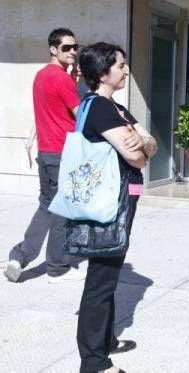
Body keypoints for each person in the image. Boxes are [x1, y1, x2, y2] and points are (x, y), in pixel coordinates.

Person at [76, 42, 158, 373]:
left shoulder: (115, 108)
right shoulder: (100, 108)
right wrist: (140, 147)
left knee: (108, 274)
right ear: (102, 71)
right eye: (120, 65)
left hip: (120, 198)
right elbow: (136, 155)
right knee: (101, 279)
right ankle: (94, 362)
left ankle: (106, 339)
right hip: (110, 202)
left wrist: (143, 144)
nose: (125, 70)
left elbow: (149, 142)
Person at [4, 28, 86, 284]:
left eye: (75, 47)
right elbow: (78, 113)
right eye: (66, 48)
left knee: (46, 206)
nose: (72, 52)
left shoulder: (41, 76)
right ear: (53, 49)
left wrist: (73, 78)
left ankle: (19, 257)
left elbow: (56, 106)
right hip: (62, 152)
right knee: (61, 210)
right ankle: (57, 268)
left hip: (47, 152)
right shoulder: (61, 79)